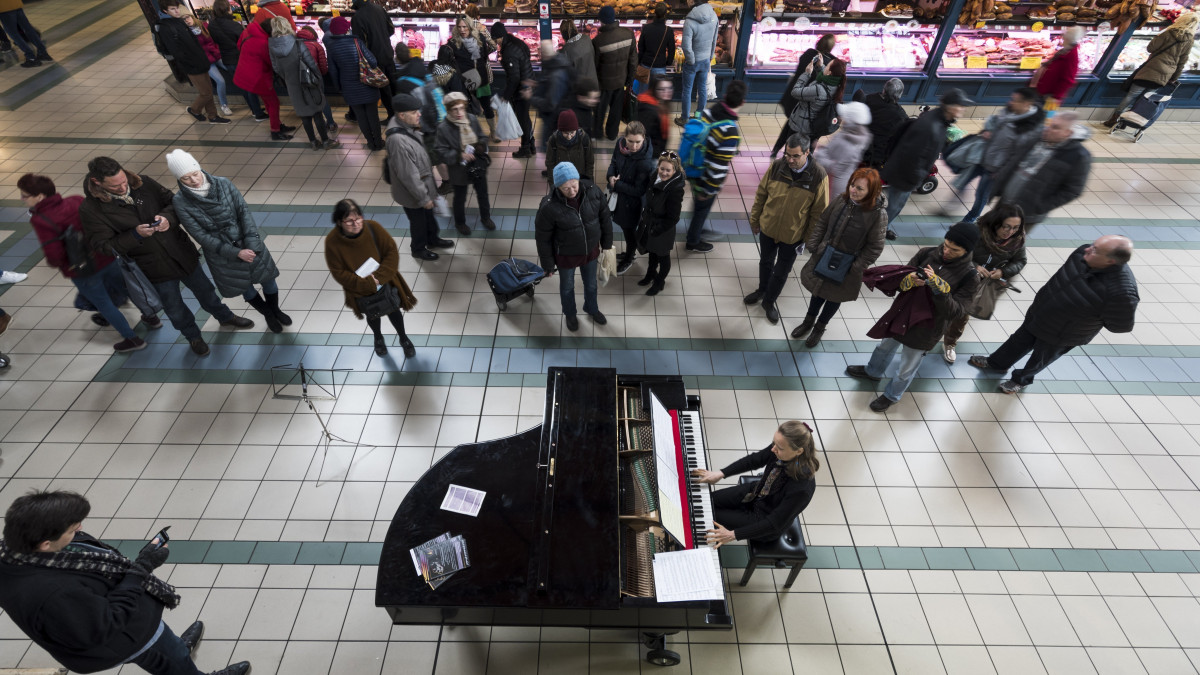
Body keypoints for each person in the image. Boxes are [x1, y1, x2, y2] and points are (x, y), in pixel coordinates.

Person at [0, 490, 251, 675]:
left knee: (168, 646)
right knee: (172, 660)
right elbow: (108, 622)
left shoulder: (15, 550)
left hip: (126, 618)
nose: (79, 530)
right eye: (72, 530)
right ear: (45, 543)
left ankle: (176, 648)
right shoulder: (54, 593)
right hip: (123, 636)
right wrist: (142, 567)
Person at [79, 157, 254, 357]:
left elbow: (174, 202)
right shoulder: (91, 210)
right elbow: (103, 246)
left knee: (206, 290)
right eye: (115, 186)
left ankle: (224, 316)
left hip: (180, 252)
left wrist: (168, 218)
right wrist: (135, 235)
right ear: (97, 182)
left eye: (124, 182)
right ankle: (193, 337)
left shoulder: (142, 182)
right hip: (150, 266)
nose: (123, 187)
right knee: (174, 307)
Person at [970, 235, 1137, 394]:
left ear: (1110, 261)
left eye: (1095, 250)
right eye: (1093, 244)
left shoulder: (1122, 292)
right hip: (1040, 313)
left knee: (1040, 358)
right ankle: (997, 363)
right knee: (1018, 341)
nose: (1088, 249)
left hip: (1063, 334)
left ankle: (1021, 380)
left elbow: (1120, 326)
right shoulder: (1082, 253)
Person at [846, 222, 979, 412]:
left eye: (954, 249)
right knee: (884, 346)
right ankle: (872, 371)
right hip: (902, 313)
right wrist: (908, 281)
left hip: (927, 327)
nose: (946, 251)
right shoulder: (927, 253)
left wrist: (939, 290)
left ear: (967, 251)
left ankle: (892, 395)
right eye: (946, 244)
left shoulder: (970, 276)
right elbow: (901, 277)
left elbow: (956, 312)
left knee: (907, 366)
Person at [23, 173, 151, 353]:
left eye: (25, 195)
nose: (22, 199)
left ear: (39, 196)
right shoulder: (75, 200)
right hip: (106, 256)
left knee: (104, 304)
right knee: (128, 288)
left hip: (83, 270)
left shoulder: (41, 219)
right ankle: (151, 317)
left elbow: (54, 254)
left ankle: (132, 339)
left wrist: (60, 263)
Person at [167, 149, 290, 334]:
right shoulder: (180, 201)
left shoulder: (223, 183)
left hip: (248, 241)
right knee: (245, 288)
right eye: (186, 178)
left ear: (199, 168)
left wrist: (251, 242)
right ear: (179, 179)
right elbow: (200, 235)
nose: (193, 180)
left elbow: (244, 213)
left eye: (194, 173)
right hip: (222, 253)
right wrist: (236, 253)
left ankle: (276, 310)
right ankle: (268, 314)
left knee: (268, 280)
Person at [793, 167, 887, 348]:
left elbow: (875, 246)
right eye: (853, 185)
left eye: (860, 188)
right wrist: (814, 244)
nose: (854, 190)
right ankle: (808, 322)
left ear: (871, 192)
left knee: (834, 297)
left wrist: (856, 266)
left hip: (848, 266)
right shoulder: (841, 200)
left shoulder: (877, 214)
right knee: (818, 291)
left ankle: (819, 328)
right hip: (825, 256)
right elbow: (822, 221)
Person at [745, 133, 828, 325]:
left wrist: (807, 239)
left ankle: (769, 301)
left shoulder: (818, 176)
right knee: (765, 262)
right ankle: (762, 290)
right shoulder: (776, 166)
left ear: (807, 152)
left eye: (795, 156)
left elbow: (818, 212)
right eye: (787, 154)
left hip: (793, 236)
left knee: (781, 272)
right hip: (768, 227)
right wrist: (755, 219)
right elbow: (762, 194)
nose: (789, 160)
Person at [692, 422, 819, 546]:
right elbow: (755, 460)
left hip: (764, 519)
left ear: (798, 451)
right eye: (774, 443)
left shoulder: (802, 488)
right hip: (755, 492)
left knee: (707, 514)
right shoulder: (779, 448)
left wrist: (733, 535)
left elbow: (774, 523)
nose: (773, 449)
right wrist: (721, 473)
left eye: (779, 448)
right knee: (705, 501)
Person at [324, 199, 418, 357]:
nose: (356, 223)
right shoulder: (332, 241)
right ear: (339, 222)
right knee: (372, 314)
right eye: (349, 221)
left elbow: (391, 252)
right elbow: (338, 272)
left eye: (358, 218)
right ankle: (378, 338)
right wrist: (366, 283)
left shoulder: (373, 228)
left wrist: (378, 278)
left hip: (385, 283)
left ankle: (403, 338)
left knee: (393, 310)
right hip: (359, 289)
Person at [879, 88, 972, 239]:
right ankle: (879, 232)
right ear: (949, 106)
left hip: (904, 172)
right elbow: (913, 155)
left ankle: (881, 228)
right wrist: (916, 178)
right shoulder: (931, 126)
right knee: (895, 206)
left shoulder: (937, 119)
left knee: (894, 205)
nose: (963, 109)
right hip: (905, 175)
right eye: (960, 105)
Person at [942, 204, 1027, 364]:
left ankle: (950, 342)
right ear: (996, 222)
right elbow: (951, 251)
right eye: (1006, 227)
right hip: (958, 276)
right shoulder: (976, 231)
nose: (1010, 232)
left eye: (1015, 228)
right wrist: (974, 266)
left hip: (978, 286)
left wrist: (1003, 272)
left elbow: (1021, 261)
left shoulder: (1017, 240)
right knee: (941, 306)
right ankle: (927, 338)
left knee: (962, 314)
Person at [536, 163, 614, 332]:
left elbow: (605, 219)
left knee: (591, 284)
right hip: (566, 255)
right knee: (567, 287)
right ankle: (570, 314)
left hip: (590, 250)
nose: (572, 191)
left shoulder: (593, 192)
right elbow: (543, 238)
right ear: (557, 187)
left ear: (579, 180)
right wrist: (548, 265)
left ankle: (592, 309)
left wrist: (607, 245)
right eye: (566, 188)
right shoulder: (548, 206)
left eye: (574, 186)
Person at [990, 111, 1092, 227]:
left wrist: (1039, 206)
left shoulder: (1079, 157)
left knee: (1006, 243)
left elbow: (1073, 190)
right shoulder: (1038, 138)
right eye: (1049, 124)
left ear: (1067, 133)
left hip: (1026, 214)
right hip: (1004, 204)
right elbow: (1015, 159)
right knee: (986, 232)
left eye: (1055, 127)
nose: (1048, 129)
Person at [959, 88, 1044, 223]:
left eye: (1014, 100)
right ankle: (954, 206)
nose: (1010, 102)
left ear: (1026, 104)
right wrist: (987, 130)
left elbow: (1018, 156)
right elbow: (993, 124)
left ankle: (969, 219)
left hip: (994, 168)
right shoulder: (1008, 112)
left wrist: (1001, 171)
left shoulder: (1028, 130)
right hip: (982, 157)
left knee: (981, 195)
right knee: (961, 181)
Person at [388, 93, 454, 261]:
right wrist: (424, 198)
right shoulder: (398, 140)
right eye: (414, 112)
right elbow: (408, 175)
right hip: (412, 193)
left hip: (423, 186)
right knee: (418, 222)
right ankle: (418, 248)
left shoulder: (407, 127)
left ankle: (433, 239)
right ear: (401, 115)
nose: (419, 114)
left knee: (429, 216)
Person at [1104, 12, 1197, 127]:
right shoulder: (1190, 40)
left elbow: (1150, 48)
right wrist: (1174, 77)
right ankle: (1127, 121)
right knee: (1145, 100)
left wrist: (1157, 37)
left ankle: (1114, 119)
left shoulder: (1168, 33)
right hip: (1165, 74)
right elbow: (1182, 61)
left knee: (1131, 95)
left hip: (1151, 69)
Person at [685, 80, 745, 253]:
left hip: (694, 168)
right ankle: (693, 240)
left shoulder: (708, 113)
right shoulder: (729, 131)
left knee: (698, 205)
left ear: (725, 96)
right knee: (702, 206)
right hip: (707, 179)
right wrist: (709, 189)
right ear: (742, 102)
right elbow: (718, 165)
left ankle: (696, 229)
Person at [268, 18, 338, 151]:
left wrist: (288, 78)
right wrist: (317, 78)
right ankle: (325, 140)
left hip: (292, 85)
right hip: (308, 82)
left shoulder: (272, 47)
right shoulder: (297, 43)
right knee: (317, 113)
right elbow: (311, 63)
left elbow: (276, 68)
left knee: (304, 115)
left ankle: (313, 142)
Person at [156, 0, 229, 125]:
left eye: (177, 8)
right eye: (173, 9)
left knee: (208, 90)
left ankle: (213, 116)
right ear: (165, 11)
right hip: (192, 65)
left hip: (200, 61)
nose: (177, 11)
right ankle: (194, 109)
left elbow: (194, 43)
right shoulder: (165, 28)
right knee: (205, 93)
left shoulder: (178, 21)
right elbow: (176, 51)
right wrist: (192, 62)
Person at [436, 92, 495, 236]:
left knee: (483, 193)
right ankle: (460, 223)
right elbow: (440, 151)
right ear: (448, 110)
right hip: (458, 168)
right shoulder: (443, 127)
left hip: (476, 163)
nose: (459, 112)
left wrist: (481, 145)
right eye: (455, 109)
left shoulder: (472, 119)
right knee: (460, 197)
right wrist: (458, 155)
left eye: (461, 108)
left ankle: (486, 217)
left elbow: (482, 136)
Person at [326, 16, 384, 151]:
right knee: (373, 116)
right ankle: (378, 143)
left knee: (361, 117)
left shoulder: (331, 47)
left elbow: (333, 72)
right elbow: (373, 62)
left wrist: (338, 87)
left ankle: (370, 142)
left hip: (349, 88)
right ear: (347, 29)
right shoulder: (356, 42)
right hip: (367, 84)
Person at [772, 33, 835, 157]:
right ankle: (797, 155)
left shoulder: (808, 53)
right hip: (807, 102)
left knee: (790, 126)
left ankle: (777, 150)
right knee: (802, 132)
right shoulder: (829, 63)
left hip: (793, 98)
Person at [607, 121, 656, 275]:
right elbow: (614, 162)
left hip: (633, 204)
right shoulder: (620, 145)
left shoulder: (645, 162)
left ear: (644, 139)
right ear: (624, 138)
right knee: (624, 228)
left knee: (629, 232)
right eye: (630, 141)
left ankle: (629, 257)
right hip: (621, 198)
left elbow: (639, 190)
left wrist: (617, 185)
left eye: (638, 142)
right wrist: (610, 176)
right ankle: (629, 254)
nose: (634, 146)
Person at [208, 0, 269, 122]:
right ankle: (258, 114)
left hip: (226, 59)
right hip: (240, 59)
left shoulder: (211, 25)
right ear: (228, 10)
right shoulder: (234, 25)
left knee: (243, 87)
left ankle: (254, 109)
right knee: (250, 87)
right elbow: (244, 41)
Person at [636, 151, 685, 296]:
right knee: (652, 251)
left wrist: (656, 230)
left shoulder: (675, 190)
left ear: (674, 170)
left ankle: (659, 282)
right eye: (662, 169)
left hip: (663, 228)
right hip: (651, 222)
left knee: (663, 257)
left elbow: (673, 217)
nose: (664, 173)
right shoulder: (654, 177)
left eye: (668, 170)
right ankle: (650, 274)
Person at [234, 21, 293, 140]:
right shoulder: (264, 43)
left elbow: (239, 45)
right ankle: (275, 131)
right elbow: (272, 62)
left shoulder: (248, 33)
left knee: (268, 102)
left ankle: (278, 125)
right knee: (274, 103)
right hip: (258, 78)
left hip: (247, 74)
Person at [449, 15, 498, 141]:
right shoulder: (453, 43)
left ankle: (493, 132)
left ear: (470, 27)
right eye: (459, 27)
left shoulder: (480, 38)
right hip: (465, 80)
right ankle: (469, 134)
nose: (462, 30)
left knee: (487, 106)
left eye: (465, 27)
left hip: (481, 77)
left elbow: (485, 56)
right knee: (467, 108)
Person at [592, 6, 637, 141]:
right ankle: (612, 134)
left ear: (602, 21)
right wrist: (630, 79)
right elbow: (633, 61)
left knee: (600, 111)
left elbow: (595, 65)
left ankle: (598, 133)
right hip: (621, 81)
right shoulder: (628, 34)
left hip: (604, 83)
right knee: (616, 111)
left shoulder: (598, 41)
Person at [491, 22, 535, 158]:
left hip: (522, 88)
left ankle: (526, 149)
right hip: (527, 83)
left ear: (499, 37)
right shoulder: (516, 43)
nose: (495, 42)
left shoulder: (509, 50)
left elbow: (514, 77)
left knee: (522, 118)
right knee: (525, 118)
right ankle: (531, 144)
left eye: (495, 39)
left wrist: (506, 95)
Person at [812, 101, 872, 196]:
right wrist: (823, 148)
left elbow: (835, 167)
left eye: (844, 116)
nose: (840, 117)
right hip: (834, 182)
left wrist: (818, 154)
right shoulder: (850, 134)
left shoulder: (849, 144)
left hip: (832, 187)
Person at [351, 0, 398, 121]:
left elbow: (360, 43)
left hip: (374, 57)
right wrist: (382, 38)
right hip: (388, 52)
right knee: (393, 84)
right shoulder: (379, 8)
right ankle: (400, 113)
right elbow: (391, 29)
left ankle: (392, 116)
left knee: (384, 88)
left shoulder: (357, 17)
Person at [182, 11, 232, 117]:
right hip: (206, 61)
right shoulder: (186, 33)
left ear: (192, 17)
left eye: (187, 17)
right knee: (220, 81)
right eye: (183, 19)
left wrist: (216, 50)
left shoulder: (204, 25)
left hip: (216, 55)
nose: (187, 20)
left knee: (234, 70)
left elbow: (214, 39)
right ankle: (224, 105)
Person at [787, 57, 845, 148]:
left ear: (830, 72)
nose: (825, 66)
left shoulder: (818, 90)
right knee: (808, 152)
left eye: (827, 65)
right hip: (817, 126)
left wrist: (807, 74)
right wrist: (820, 66)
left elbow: (795, 92)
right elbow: (824, 80)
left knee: (793, 151)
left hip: (802, 127)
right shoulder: (837, 86)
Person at [679, 0, 719, 126]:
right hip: (706, 59)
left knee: (687, 90)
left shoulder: (690, 21)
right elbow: (714, 40)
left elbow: (686, 45)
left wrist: (691, 60)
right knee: (702, 88)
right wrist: (710, 55)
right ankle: (698, 116)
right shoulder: (714, 16)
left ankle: (685, 118)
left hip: (693, 61)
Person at [532, 39, 573, 151]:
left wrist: (531, 98)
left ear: (543, 53)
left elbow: (550, 104)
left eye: (539, 50)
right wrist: (538, 85)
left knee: (550, 147)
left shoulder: (556, 73)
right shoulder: (554, 64)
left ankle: (553, 167)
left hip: (554, 118)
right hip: (553, 116)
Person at [1034, 26, 1084, 113]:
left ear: (1069, 38)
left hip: (1050, 95)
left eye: (1065, 36)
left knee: (1043, 118)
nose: (1062, 37)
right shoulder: (1065, 51)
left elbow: (1069, 80)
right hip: (1044, 90)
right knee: (1037, 114)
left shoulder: (1072, 55)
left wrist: (1056, 97)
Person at [859, 78, 906, 169]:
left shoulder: (869, 98)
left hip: (860, 143)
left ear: (884, 89)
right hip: (877, 155)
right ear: (899, 95)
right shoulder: (900, 115)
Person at [299, 25, 336, 135]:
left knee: (307, 101)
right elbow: (323, 65)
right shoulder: (316, 45)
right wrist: (322, 74)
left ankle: (316, 131)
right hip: (316, 77)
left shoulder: (294, 45)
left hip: (300, 77)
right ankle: (330, 123)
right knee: (322, 100)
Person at [636, 3, 676, 95]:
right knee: (659, 95)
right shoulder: (668, 30)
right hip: (660, 66)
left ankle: (642, 109)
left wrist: (640, 61)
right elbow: (671, 49)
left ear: (654, 12)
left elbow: (640, 46)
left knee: (643, 94)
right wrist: (669, 62)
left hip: (645, 65)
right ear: (665, 14)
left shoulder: (646, 28)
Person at [546, 109, 594, 184]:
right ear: (560, 130)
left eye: (572, 132)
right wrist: (553, 184)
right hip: (562, 180)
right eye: (565, 133)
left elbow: (589, 162)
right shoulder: (553, 141)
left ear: (576, 129)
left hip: (579, 179)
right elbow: (550, 164)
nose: (569, 136)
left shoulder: (584, 139)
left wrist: (588, 181)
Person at [0, 0, 49, 68]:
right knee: (28, 29)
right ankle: (43, 53)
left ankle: (31, 58)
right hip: (16, 5)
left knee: (14, 34)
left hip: (4, 9)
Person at [637, 74, 672, 155]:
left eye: (669, 88)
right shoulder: (648, 109)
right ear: (654, 90)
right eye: (662, 89)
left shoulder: (661, 104)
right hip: (651, 155)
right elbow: (643, 137)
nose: (667, 92)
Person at [559, 19, 597, 88]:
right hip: (593, 82)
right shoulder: (587, 39)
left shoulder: (566, 50)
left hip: (581, 88)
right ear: (575, 29)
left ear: (563, 35)